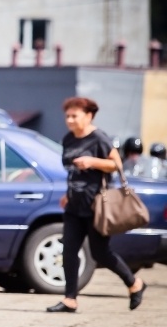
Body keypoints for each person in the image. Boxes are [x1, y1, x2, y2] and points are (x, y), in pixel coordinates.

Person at [47, 97, 147, 313]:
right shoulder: (68, 139)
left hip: (96, 206)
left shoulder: (99, 138)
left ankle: (133, 283)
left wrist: (92, 162)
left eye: (75, 116)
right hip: (74, 205)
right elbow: (72, 172)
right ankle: (70, 299)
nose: (70, 120)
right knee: (69, 251)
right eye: (67, 116)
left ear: (89, 115)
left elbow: (116, 165)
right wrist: (67, 194)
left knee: (100, 253)